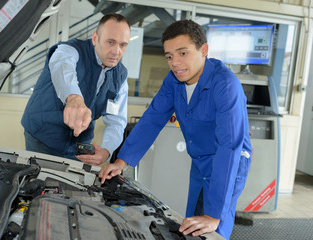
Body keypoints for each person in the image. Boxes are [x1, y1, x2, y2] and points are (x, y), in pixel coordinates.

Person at [99, 19, 252, 239]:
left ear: (204, 50)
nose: (175, 63)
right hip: (200, 159)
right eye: (169, 56)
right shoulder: (174, 80)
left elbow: (229, 147)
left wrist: (215, 215)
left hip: (229, 161)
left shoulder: (226, 86)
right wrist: (121, 162)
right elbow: (152, 118)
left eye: (183, 53)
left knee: (212, 228)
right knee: (191, 224)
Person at [21, 13, 131, 166]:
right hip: (42, 136)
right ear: (95, 38)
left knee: (70, 189)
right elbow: (63, 68)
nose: (116, 51)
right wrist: (74, 98)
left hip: (79, 147)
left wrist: (107, 150)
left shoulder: (121, 76)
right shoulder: (69, 50)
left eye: (123, 45)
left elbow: (116, 121)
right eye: (110, 42)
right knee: (39, 184)